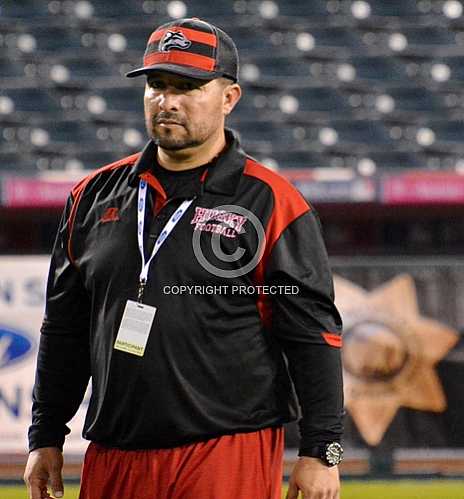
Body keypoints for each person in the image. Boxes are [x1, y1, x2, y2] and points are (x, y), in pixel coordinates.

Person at [24, 17, 344, 499]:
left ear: (229, 97)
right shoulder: (92, 196)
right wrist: (45, 435)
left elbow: (313, 336)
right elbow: (64, 329)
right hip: (114, 454)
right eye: (157, 84)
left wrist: (322, 451)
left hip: (224, 451)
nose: (168, 101)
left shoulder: (272, 203)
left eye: (189, 87)